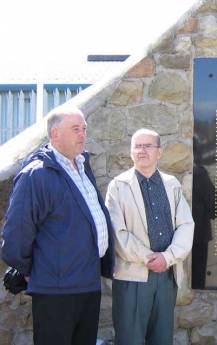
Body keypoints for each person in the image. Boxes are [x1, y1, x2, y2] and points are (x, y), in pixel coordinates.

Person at [1, 106, 114, 345]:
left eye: (84, 129)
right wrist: (36, 271)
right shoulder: (37, 175)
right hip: (56, 292)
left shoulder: (82, 167)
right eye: (75, 129)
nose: (82, 134)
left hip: (88, 285)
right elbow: (15, 237)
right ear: (55, 135)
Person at [105, 128, 194, 345]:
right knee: (130, 339)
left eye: (147, 146)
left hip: (166, 276)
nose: (142, 151)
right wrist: (149, 258)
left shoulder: (171, 184)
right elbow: (117, 233)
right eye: (137, 146)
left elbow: (186, 224)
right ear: (131, 152)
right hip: (132, 277)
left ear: (159, 152)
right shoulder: (118, 186)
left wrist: (168, 257)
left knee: (162, 339)